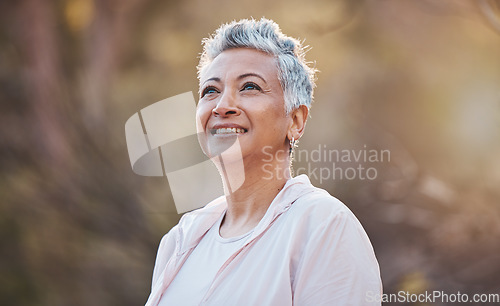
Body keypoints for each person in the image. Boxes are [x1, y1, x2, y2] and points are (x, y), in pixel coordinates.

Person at [145, 18, 382, 306]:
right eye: (211, 90)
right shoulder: (179, 241)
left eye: (249, 87)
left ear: (295, 120)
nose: (222, 106)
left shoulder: (323, 226)